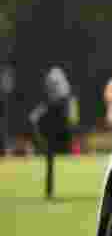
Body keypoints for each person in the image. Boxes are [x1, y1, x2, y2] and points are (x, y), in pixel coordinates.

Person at [29, 67, 73, 199]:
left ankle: (49, 191)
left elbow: (54, 109)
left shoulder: (61, 97)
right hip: (52, 130)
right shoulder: (56, 95)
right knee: (49, 158)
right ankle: (49, 191)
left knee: (50, 157)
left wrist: (38, 114)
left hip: (55, 130)